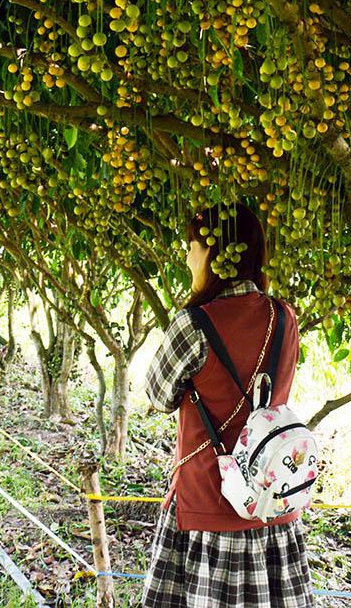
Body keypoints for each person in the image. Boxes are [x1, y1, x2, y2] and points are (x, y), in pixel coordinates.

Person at [141, 203, 311, 608]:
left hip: (208, 503)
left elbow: (157, 395)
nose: (187, 255)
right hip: (270, 501)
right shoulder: (285, 317)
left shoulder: (194, 323)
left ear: (216, 254)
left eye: (192, 246)